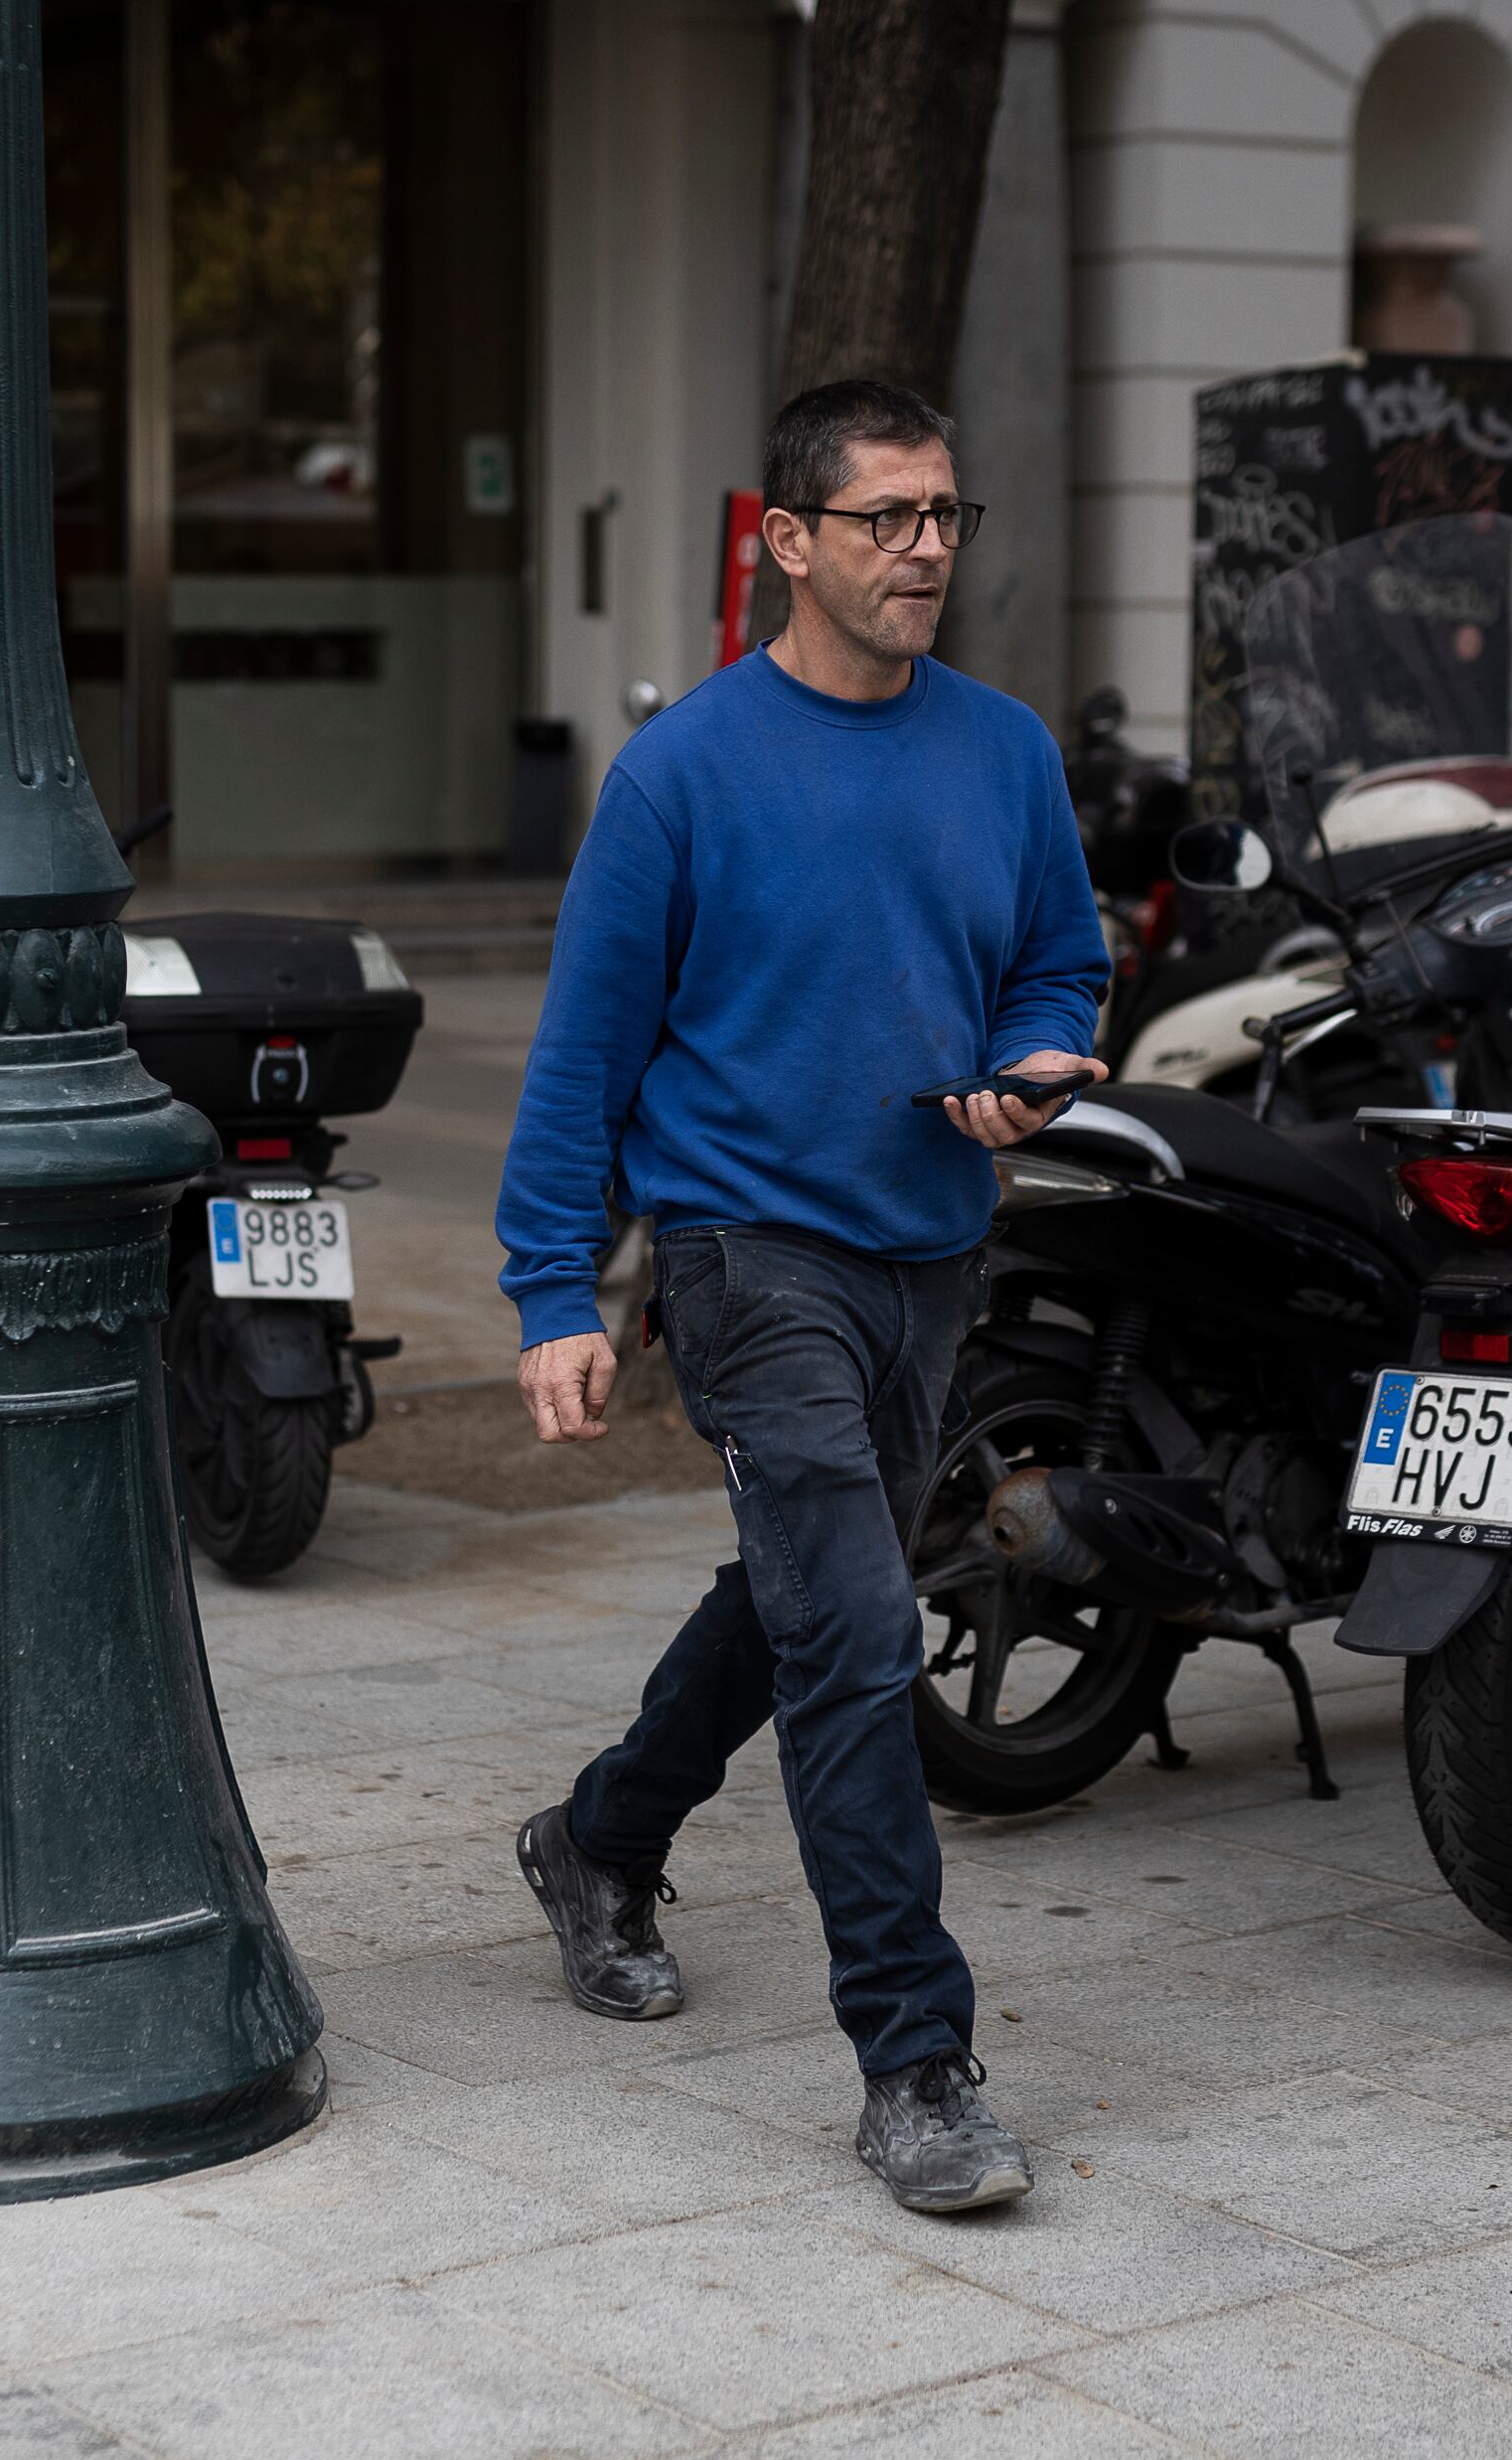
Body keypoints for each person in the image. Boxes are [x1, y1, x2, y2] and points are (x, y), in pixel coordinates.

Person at [497, 378, 1112, 2214]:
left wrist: (1033, 1061)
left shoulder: (1002, 751)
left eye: (948, 517)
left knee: (799, 1600)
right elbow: (583, 1053)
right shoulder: (685, 772)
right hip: (747, 1250)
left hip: (931, 1241)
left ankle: (596, 1840)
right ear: (790, 541)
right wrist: (549, 1287)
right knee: (857, 1637)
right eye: (890, 519)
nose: (929, 549)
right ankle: (916, 2061)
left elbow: (1060, 963)